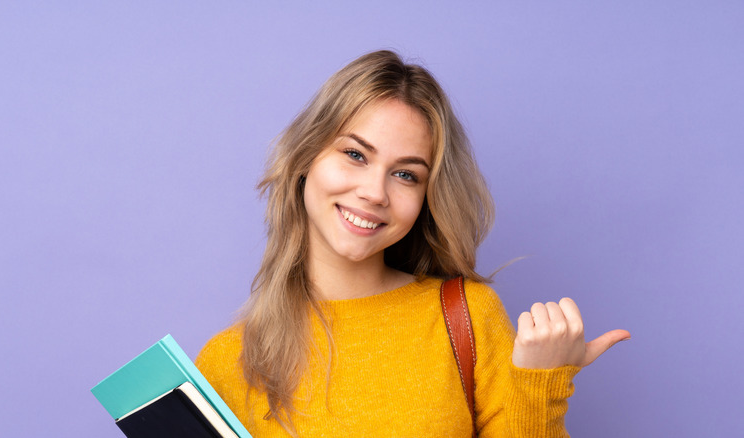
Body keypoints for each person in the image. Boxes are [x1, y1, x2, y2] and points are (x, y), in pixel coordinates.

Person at [196, 50, 630, 437]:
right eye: (355, 154)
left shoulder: (466, 318)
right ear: (305, 158)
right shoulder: (226, 360)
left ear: (426, 197)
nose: (375, 192)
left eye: (406, 174)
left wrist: (541, 385)